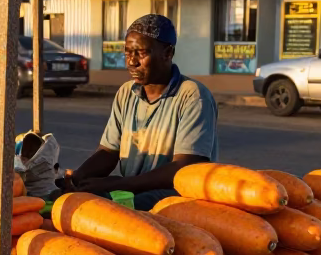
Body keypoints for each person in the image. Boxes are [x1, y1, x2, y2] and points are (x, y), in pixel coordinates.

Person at [59, 14, 217, 211]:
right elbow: (108, 152)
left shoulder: (193, 96)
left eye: (140, 53)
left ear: (167, 53)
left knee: (102, 208)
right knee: (64, 200)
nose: (131, 62)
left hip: (174, 197)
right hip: (131, 190)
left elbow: (186, 167)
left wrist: (118, 184)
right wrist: (78, 178)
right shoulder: (126, 92)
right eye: (127, 53)